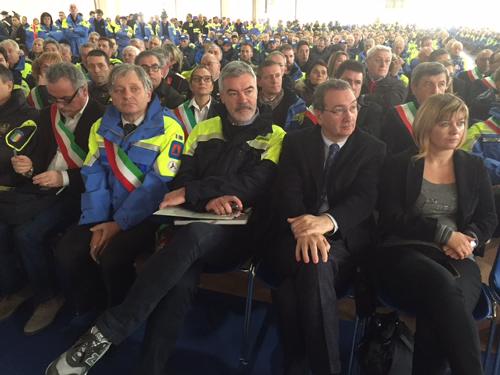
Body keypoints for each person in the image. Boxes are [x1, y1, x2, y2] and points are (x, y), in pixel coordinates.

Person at [46, 61, 285, 375]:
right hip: (189, 225)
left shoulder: (276, 135)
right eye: (233, 92)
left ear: (258, 91)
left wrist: (196, 192)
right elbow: (182, 177)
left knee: (193, 237)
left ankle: (108, 330)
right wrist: (205, 197)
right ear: (221, 96)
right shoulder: (203, 130)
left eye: (249, 90)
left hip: (236, 234)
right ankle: (148, 367)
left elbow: (254, 184)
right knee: (178, 282)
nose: (243, 99)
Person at [266, 79, 386, 375]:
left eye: (353, 108)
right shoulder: (296, 142)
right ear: (318, 114)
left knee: (299, 281)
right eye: (338, 110)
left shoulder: (372, 148)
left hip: (344, 239)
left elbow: (363, 199)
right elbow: (288, 193)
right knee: (313, 264)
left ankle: (297, 360)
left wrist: (324, 224)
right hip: (293, 233)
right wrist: (305, 229)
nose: (349, 117)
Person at [375, 93, 497, 375]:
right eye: (445, 123)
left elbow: (488, 217)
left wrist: (469, 239)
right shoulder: (399, 163)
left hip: (458, 254)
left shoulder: (473, 166)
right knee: (443, 288)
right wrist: (445, 235)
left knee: (439, 313)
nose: (456, 130)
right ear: (427, 125)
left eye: (461, 122)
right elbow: (392, 217)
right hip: (404, 251)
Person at [54, 63, 184, 314]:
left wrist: (118, 224)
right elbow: (93, 175)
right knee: (67, 251)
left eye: (135, 89)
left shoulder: (170, 129)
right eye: (120, 90)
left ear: (149, 92)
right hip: (105, 210)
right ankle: (90, 308)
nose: (127, 96)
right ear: (111, 95)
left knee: (113, 257)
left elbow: (158, 186)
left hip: (148, 216)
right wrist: (98, 221)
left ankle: (119, 315)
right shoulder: (99, 127)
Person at [0, 62, 103, 335]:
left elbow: (104, 172)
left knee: (27, 235)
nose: (59, 104)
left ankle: (48, 298)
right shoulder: (48, 114)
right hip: (40, 186)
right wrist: (28, 165)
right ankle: (18, 286)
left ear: (83, 91)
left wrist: (65, 177)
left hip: (77, 193)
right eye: (53, 98)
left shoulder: (102, 117)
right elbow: (38, 153)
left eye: (65, 99)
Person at [381, 62, 449, 155]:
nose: (436, 91)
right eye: (428, 84)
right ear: (414, 87)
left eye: (441, 84)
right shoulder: (396, 115)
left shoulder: (452, 117)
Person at [257, 59, 306, 130]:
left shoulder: (297, 105)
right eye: (269, 77)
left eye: (277, 76)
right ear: (259, 82)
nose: (274, 81)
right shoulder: (250, 103)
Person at [172, 64, 217, 138]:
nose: (202, 82)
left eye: (207, 79)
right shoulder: (178, 112)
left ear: (212, 86)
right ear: (190, 86)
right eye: (196, 79)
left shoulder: (221, 110)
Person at [362, 45, 407, 109]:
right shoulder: (357, 80)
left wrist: (365, 98)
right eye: (378, 60)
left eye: (387, 61)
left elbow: (390, 102)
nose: (383, 65)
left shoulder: (398, 85)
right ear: (367, 61)